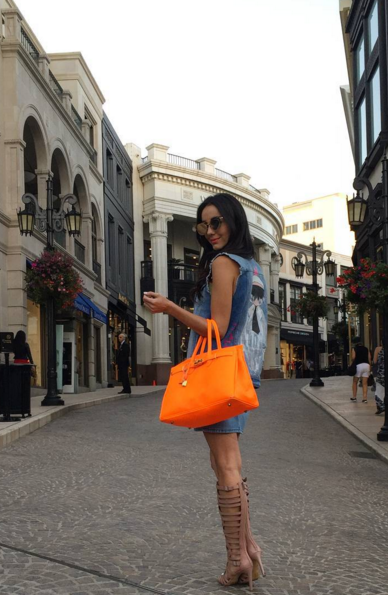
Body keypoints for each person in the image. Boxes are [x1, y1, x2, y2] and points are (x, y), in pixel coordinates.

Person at [143, 193, 267, 589]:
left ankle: (237, 559)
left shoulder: (223, 263)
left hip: (218, 375)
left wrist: (169, 308)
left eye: (217, 222)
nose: (210, 231)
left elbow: (217, 327)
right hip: (240, 374)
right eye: (204, 224)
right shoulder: (252, 266)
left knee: (225, 467)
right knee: (228, 465)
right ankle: (249, 550)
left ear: (233, 220)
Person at [373, 342, 388, 415]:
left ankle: (381, 406)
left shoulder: (378, 349)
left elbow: (374, 361)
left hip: (381, 372)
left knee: (379, 389)